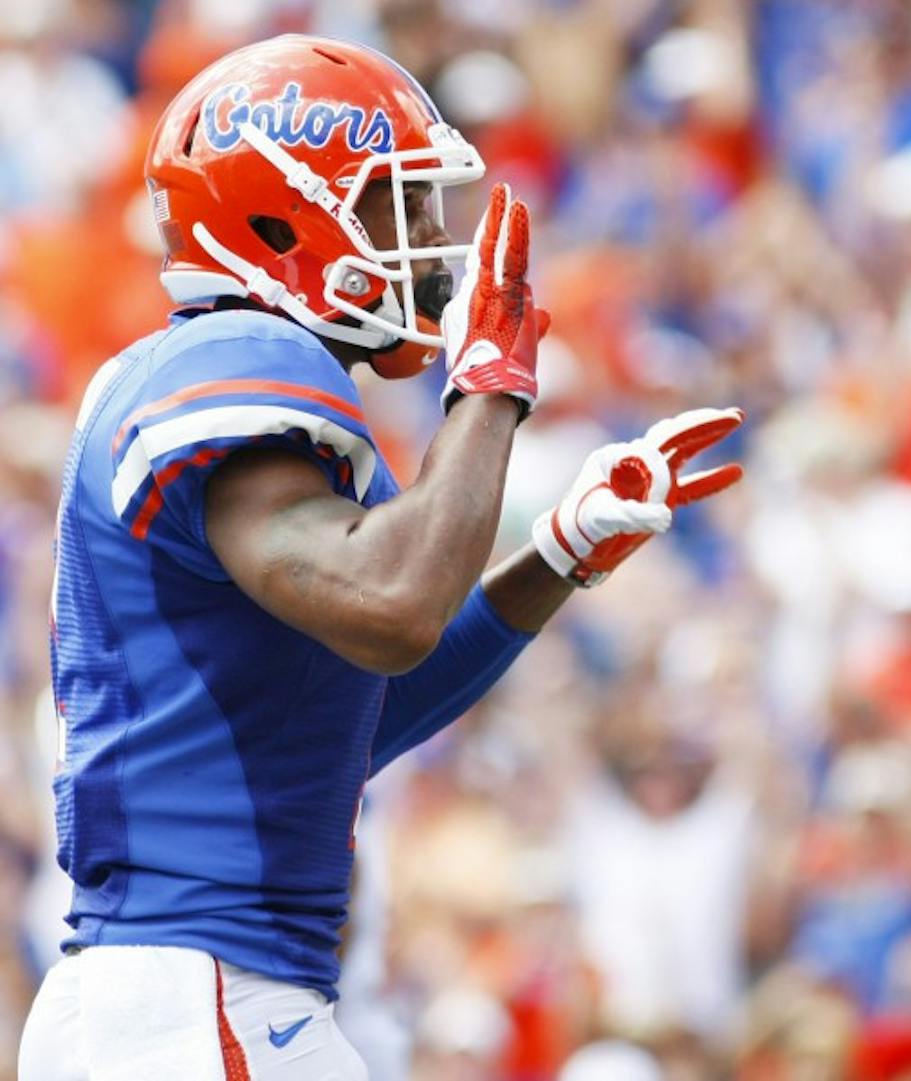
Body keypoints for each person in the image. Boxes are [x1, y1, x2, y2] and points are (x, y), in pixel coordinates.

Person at [18, 33, 743, 1081]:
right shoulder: (238, 353)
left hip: (186, 994)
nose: (427, 243)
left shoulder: (219, 386)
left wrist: (557, 551)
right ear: (278, 218)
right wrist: (491, 390)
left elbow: (344, 718)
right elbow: (395, 605)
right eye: (391, 206)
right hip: (197, 995)